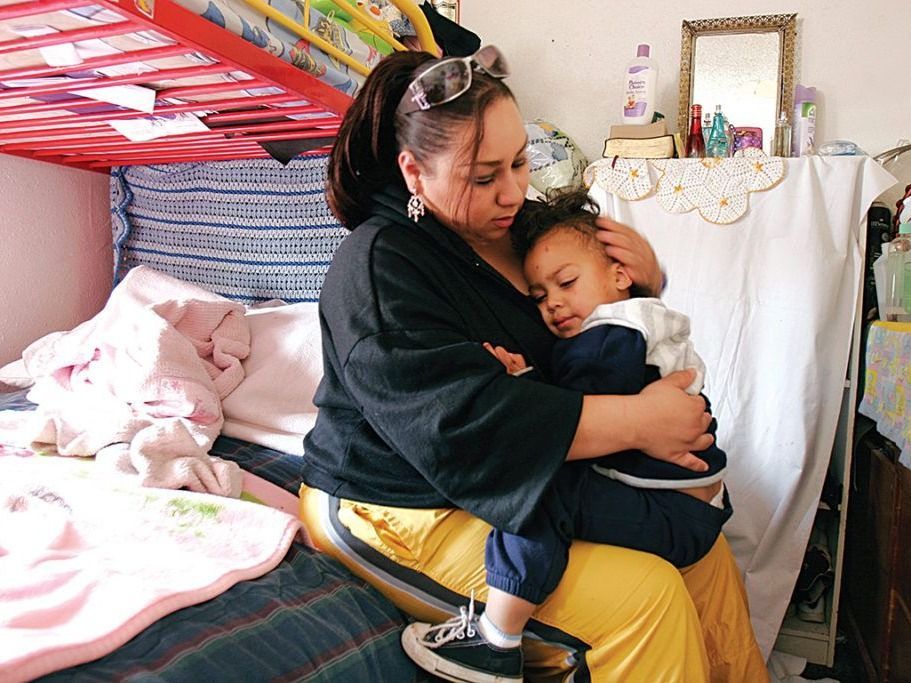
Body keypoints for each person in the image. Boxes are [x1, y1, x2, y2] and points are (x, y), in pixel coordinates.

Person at [298, 45, 768, 681]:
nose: (513, 192)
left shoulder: (523, 232)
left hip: (520, 477)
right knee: (645, 598)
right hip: (397, 503)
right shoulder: (380, 267)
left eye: (520, 163)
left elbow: (588, 331)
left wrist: (640, 287)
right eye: (483, 177)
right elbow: (458, 428)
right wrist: (638, 423)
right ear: (414, 172)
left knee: (704, 558)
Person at [398, 190, 735, 681]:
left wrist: (520, 386)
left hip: (671, 511)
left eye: (567, 282)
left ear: (621, 276)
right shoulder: (641, 317)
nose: (553, 302)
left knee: (536, 496)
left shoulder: (611, 335)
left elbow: (569, 416)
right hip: (687, 504)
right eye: (539, 296)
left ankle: (497, 639)